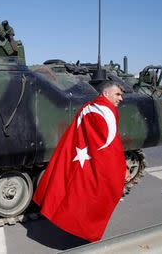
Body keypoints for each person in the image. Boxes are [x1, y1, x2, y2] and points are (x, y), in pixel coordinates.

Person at [33, 80, 129, 242]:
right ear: (106, 94)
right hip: (92, 157)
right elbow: (111, 144)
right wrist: (121, 169)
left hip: (82, 156)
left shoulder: (88, 107)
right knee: (99, 189)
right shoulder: (106, 111)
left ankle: (69, 217)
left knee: (76, 185)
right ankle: (83, 226)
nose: (121, 99)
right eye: (117, 94)